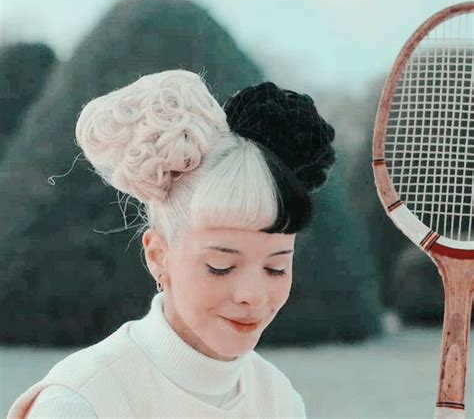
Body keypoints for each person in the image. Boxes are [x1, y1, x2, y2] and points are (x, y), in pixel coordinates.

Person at [7, 69, 336, 418]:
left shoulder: (278, 400)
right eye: (221, 267)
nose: (253, 295)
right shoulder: (84, 403)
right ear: (158, 255)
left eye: (276, 267)